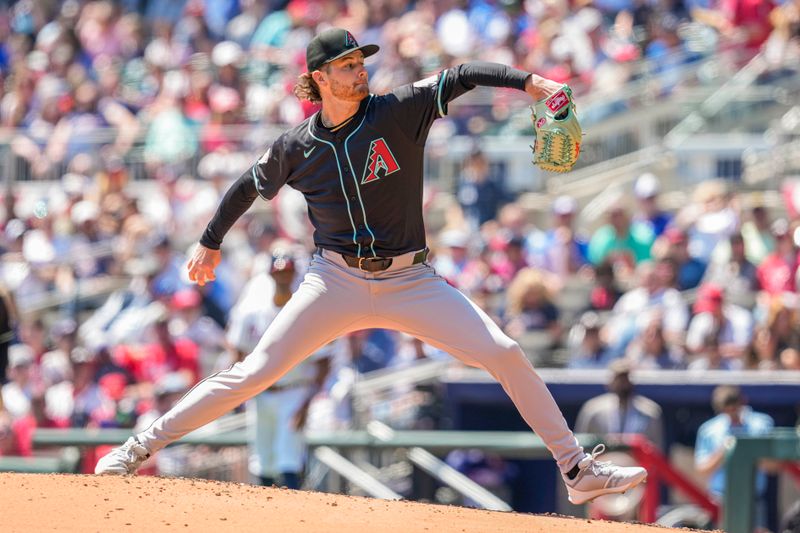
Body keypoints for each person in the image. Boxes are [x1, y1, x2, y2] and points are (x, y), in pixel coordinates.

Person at [95, 27, 647, 505]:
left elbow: (463, 75)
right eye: (349, 65)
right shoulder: (296, 147)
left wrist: (536, 84)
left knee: (504, 352)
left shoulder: (397, 110)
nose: (362, 72)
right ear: (319, 77)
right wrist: (209, 242)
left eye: (362, 63)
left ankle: (576, 469)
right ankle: (138, 447)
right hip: (335, 278)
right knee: (254, 372)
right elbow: (246, 186)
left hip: (410, 278)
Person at [226, 249, 331, 488]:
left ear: (295, 274)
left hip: (294, 390)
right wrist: (240, 393)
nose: (283, 277)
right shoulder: (253, 311)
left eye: (288, 272)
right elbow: (238, 353)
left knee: (289, 460)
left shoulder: (305, 313)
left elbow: (323, 361)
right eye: (279, 272)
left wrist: (308, 402)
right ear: (270, 275)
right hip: (261, 391)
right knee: (262, 458)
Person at [694, 385, 775, 531]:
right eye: (727, 410)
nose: (732, 414)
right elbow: (702, 469)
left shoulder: (762, 424)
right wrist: (725, 451)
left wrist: (749, 452)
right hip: (720, 500)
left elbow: (774, 467)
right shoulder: (709, 430)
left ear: (742, 402)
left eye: (735, 408)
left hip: (753, 499)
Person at [575, 359, 664, 450]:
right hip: (603, 461)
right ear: (610, 382)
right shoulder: (593, 410)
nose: (622, 383)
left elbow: (657, 449)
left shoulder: (649, 411)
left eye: (625, 378)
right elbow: (582, 445)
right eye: (618, 378)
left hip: (636, 462)